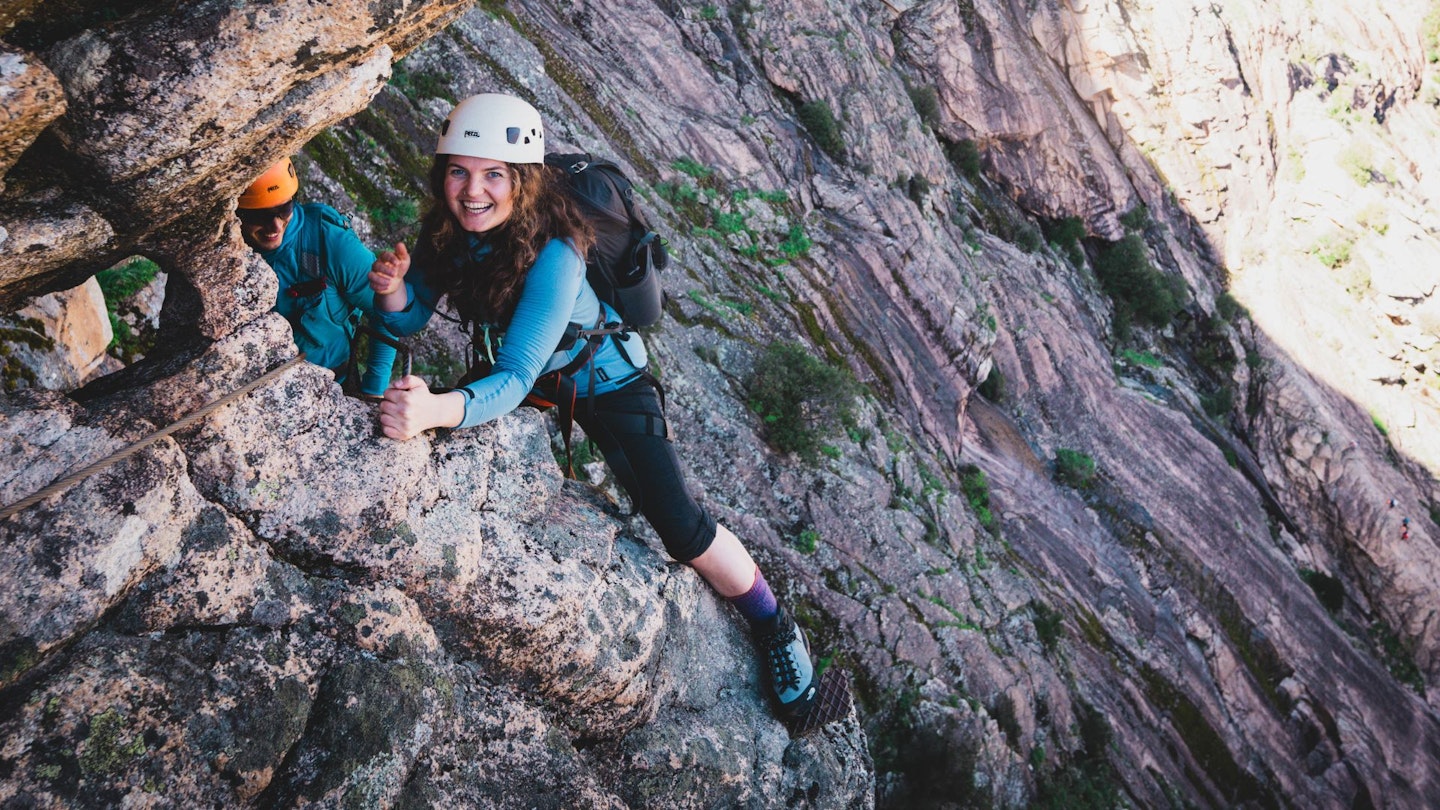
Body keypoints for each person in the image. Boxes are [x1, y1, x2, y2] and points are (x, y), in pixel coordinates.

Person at [368, 93, 820, 721]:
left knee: (679, 527)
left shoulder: (557, 252)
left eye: (493, 174)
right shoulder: (449, 232)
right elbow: (415, 315)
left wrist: (435, 408)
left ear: (521, 181)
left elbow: (514, 374)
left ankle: (776, 628)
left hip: (607, 384)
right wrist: (392, 293)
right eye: (459, 171)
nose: (472, 191)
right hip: (535, 381)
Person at [237, 157, 397, 397]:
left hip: (333, 384)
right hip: (253, 387)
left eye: (283, 209)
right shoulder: (228, 252)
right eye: (259, 216)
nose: (275, 226)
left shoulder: (329, 242)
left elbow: (386, 312)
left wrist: (374, 390)